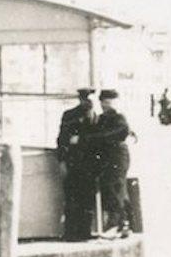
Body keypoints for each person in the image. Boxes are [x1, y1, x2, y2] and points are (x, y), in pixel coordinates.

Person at [85, 89, 133, 238]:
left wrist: (93, 138)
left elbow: (120, 132)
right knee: (112, 188)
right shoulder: (101, 118)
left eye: (108, 102)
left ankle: (119, 224)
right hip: (107, 158)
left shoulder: (118, 117)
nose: (106, 105)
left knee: (115, 188)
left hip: (117, 156)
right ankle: (122, 224)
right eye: (103, 102)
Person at [56, 87, 97, 241]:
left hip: (89, 164)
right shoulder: (70, 115)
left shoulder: (96, 118)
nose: (87, 102)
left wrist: (79, 140)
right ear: (80, 99)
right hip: (74, 162)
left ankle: (84, 232)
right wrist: (62, 161)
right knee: (73, 197)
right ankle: (72, 232)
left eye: (90, 100)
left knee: (87, 198)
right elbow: (62, 140)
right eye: (85, 99)